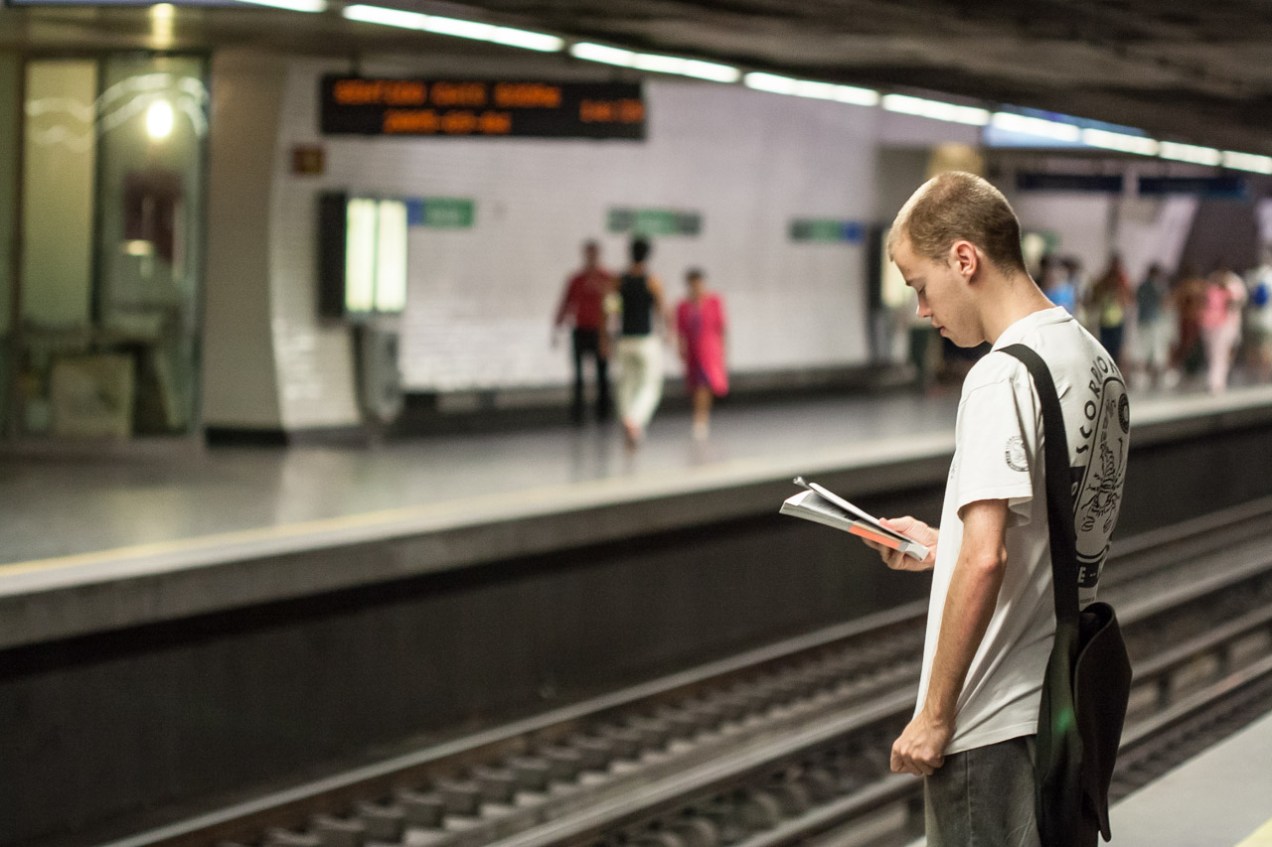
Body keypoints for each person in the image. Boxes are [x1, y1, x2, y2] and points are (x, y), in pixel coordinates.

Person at [865, 172, 1130, 846]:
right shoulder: (1094, 361)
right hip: (1058, 709)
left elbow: (987, 557)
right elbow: (1052, 538)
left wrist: (934, 715)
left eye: (919, 285)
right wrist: (937, 545)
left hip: (989, 721)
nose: (922, 309)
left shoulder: (1001, 375)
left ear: (964, 258)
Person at [615, 237, 670, 447]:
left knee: (627, 383)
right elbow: (660, 308)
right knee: (650, 384)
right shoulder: (652, 280)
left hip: (624, 339)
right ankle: (635, 420)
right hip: (645, 339)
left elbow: (610, 306)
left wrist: (606, 332)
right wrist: (667, 332)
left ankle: (627, 417)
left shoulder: (619, 280)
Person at [553, 240, 615, 424]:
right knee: (578, 375)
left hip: (600, 331)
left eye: (594, 254)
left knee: (602, 374)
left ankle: (603, 413)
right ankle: (578, 413)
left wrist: (613, 325)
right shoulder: (576, 279)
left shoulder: (607, 278)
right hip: (581, 330)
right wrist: (558, 324)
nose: (591, 257)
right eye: (588, 254)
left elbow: (613, 304)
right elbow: (566, 302)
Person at [675, 268, 728, 439]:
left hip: (710, 350)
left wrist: (723, 350)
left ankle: (701, 418)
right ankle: (700, 417)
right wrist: (680, 348)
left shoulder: (714, 302)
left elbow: (721, 327)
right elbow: (680, 331)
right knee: (696, 385)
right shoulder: (683, 306)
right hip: (693, 351)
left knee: (705, 384)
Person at [1199, 262, 1247, 394]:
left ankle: (1216, 382)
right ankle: (1216, 382)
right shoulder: (1212, 289)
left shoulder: (1228, 288)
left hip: (1220, 325)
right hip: (1216, 325)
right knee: (1216, 354)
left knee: (1218, 354)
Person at [1085, 253, 1132, 366]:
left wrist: (1119, 292)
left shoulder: (1122, 280)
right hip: (1104, 321)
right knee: (1105, 349)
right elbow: (1094, 297)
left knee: (1117, 349)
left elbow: (1128, 300)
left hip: (1117, 320)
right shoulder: (1103, 280)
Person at [1134, 262, 1175, 389]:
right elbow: (1165, 302)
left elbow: (1136, 299)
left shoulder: (1142, 286)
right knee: (1156, 348)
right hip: (1155, 321)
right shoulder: (1158, 286)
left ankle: (1142, 377)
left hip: (1143, 320)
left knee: (1144, 347)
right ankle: (1156, 377)